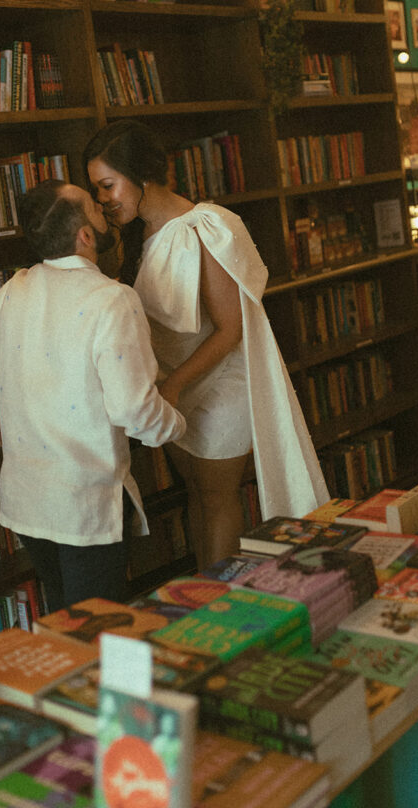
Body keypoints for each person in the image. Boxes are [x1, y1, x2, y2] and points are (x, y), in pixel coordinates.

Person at [84, 120, 329, 569]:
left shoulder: (204, 227)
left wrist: (173, 387)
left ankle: (221, 603)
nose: (103, 199)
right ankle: (207, 590)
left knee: (217, 498)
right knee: (196, 493)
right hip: (173, 388)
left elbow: (230, 329)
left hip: (216, 387)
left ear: (140, 176)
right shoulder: (140, 236)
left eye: (107, 185)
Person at [0, 178, 185, 612]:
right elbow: (136, 411)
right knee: (94, 633)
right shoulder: (113, 300)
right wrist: (179, 422)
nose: (102, 205)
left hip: (28, 504)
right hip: (83, 504)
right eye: (95, 207)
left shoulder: (18, 288)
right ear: (86, 237)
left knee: (63, 628)